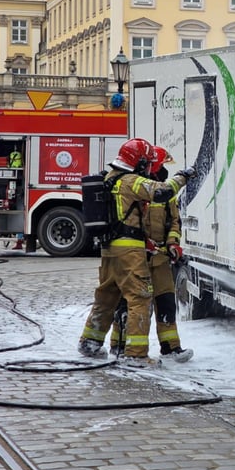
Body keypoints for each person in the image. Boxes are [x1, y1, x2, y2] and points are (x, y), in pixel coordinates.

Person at [77, 138, 195, 368]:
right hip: (130, 251)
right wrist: (183, 176)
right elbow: (162, 191)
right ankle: (136, 354)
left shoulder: (109, 178)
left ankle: (89, 343)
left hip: (109, 250)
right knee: (140, 298)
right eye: (147, 163)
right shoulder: (130, 181)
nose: (149, 168)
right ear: (139, 162)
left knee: (106, 297)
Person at [110, 146, 194, 363]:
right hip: (136, 258)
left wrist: (173, 244)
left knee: (166, 303)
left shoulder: (165, 193)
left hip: (160, 259)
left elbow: (174, 222)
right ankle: (119, 346)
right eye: (162, 165)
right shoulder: (138, 188)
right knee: (130, 303)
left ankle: (171, 347)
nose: (164, 169)